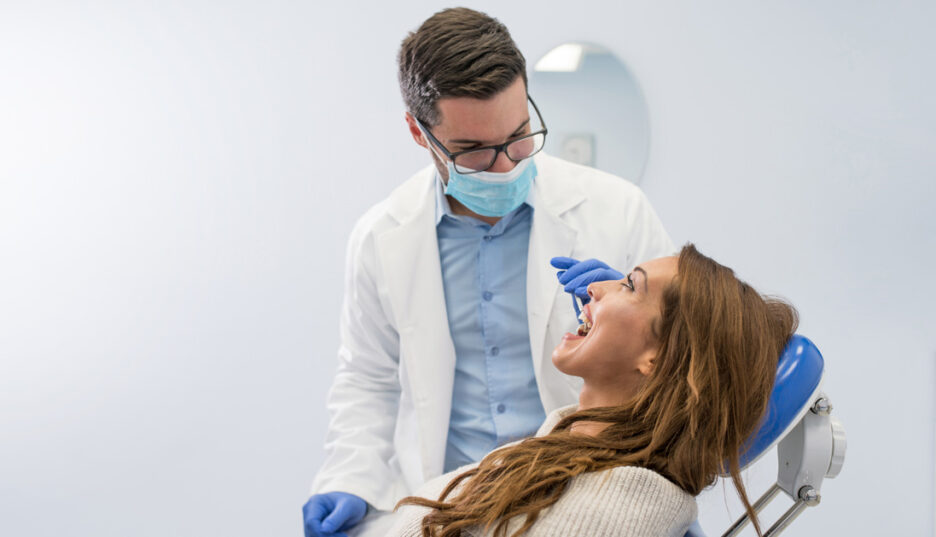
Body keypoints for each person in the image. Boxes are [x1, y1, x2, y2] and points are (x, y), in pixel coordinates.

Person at [304, 8, 675, 537]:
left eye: (520, 135)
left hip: (587, 493)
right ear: (418, 132)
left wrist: (642, 312)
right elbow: (368, 377)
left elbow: (682, 362)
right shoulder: (379, 240)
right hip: (451, 503)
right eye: (474, 152)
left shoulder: (618, 210)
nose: (507, 166)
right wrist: (349, 478)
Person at [385, 244, 799, 537]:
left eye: (628, 286)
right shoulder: (561, 451)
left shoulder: (609, 509)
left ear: (657, 358)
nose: (594, 288)